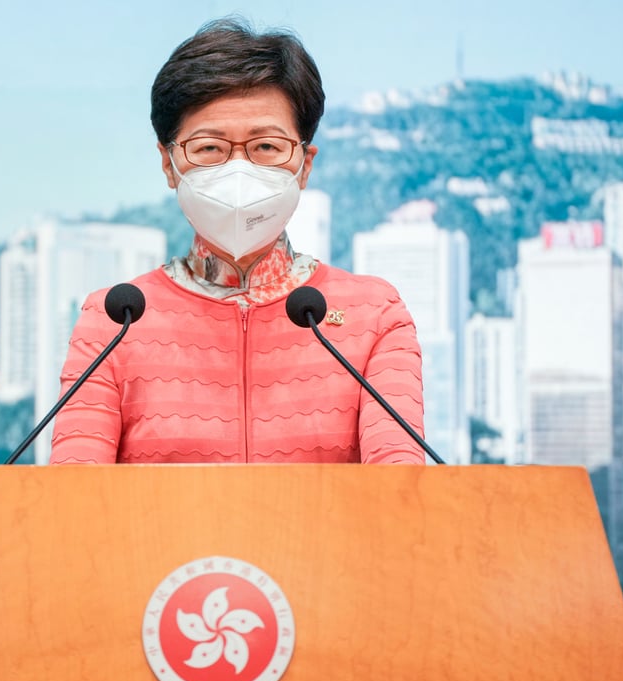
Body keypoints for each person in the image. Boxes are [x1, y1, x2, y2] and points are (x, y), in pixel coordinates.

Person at [49, 17, 425, 465]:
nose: (239, 170)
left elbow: (400, 493)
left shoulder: (374, 316)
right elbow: (74, 500)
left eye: (266, 147)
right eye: (209, 148)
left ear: (304, 164)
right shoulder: (114, 319)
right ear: (169, 164)